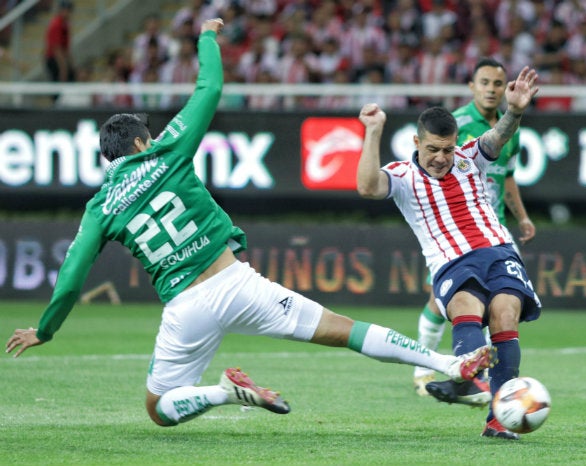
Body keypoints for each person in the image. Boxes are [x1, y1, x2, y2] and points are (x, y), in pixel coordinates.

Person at [5, 18, 492, 428]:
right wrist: (207, 38)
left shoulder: (99, 207)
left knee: (158, 409)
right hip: (237, 283)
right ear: (138, 144)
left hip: (185, 308)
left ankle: (221, 393)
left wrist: (46, 330)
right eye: (147, 137)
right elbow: (210, 88)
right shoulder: (166, 152)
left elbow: (71, 279)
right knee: (346, 330)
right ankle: (448, 363)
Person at [356, 65, 542, 440]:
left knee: (506, 313)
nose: (441, 158)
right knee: (465, 307)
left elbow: (496, 137)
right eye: (432, 150)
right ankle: (468, 380)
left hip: (498, 248)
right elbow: (367, 186)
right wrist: (373, 131)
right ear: (415, 142)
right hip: (451, 261)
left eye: (447, 149)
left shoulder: (469, 157)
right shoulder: (402, 177)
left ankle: (497, 420)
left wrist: (515, 111)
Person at [412, 57, 536, 399]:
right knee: (444, 302)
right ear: (472, 86)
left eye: (498, 83)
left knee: (499, 307)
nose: (492, 90)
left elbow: (507, 175)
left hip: (493, 229)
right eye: (485, 82)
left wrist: (521, 216)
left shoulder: (512, 128)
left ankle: (480, 383)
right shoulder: (459, 125)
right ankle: (426, 369)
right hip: (452, 230)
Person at [44, 0, 75, 101]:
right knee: (57, 84)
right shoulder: (57, 24)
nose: (67, 13)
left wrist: (71, 63)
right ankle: (56, 104)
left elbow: (66, 48)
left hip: (60, 57)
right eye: (65, 10)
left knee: (70, 78)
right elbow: (56, 48)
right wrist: (63, 67)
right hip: (54, 58)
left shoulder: (65, 24)